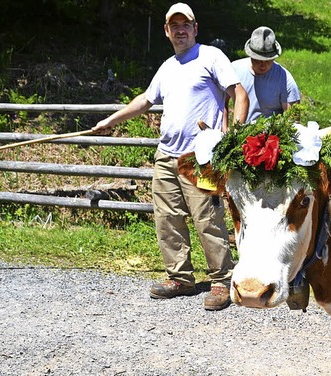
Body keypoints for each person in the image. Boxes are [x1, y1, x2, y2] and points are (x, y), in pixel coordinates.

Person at [92, 2, 249, 311]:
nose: (180, 30)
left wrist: (234, 136)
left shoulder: (211, 57)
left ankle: (222, 280)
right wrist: (111, 121)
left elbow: (239, 94)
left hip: (201, 156)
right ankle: (180, 278)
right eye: (173, 25)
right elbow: (145, 101)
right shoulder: (167, 67)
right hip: (166, 156)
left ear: (195, 28)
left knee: (207, 219)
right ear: (166, 31)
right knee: (167, 219)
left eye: (185, 24)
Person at [226, 26, 300, 123]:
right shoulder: (234, 70)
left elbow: (293, 122)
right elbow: (221, 101)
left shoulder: (285, 80)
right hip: (241, 132)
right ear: (250, 55)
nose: (262, 64)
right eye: (257, 60)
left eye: (267, 60)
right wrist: (225, 130)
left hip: (272, 134)